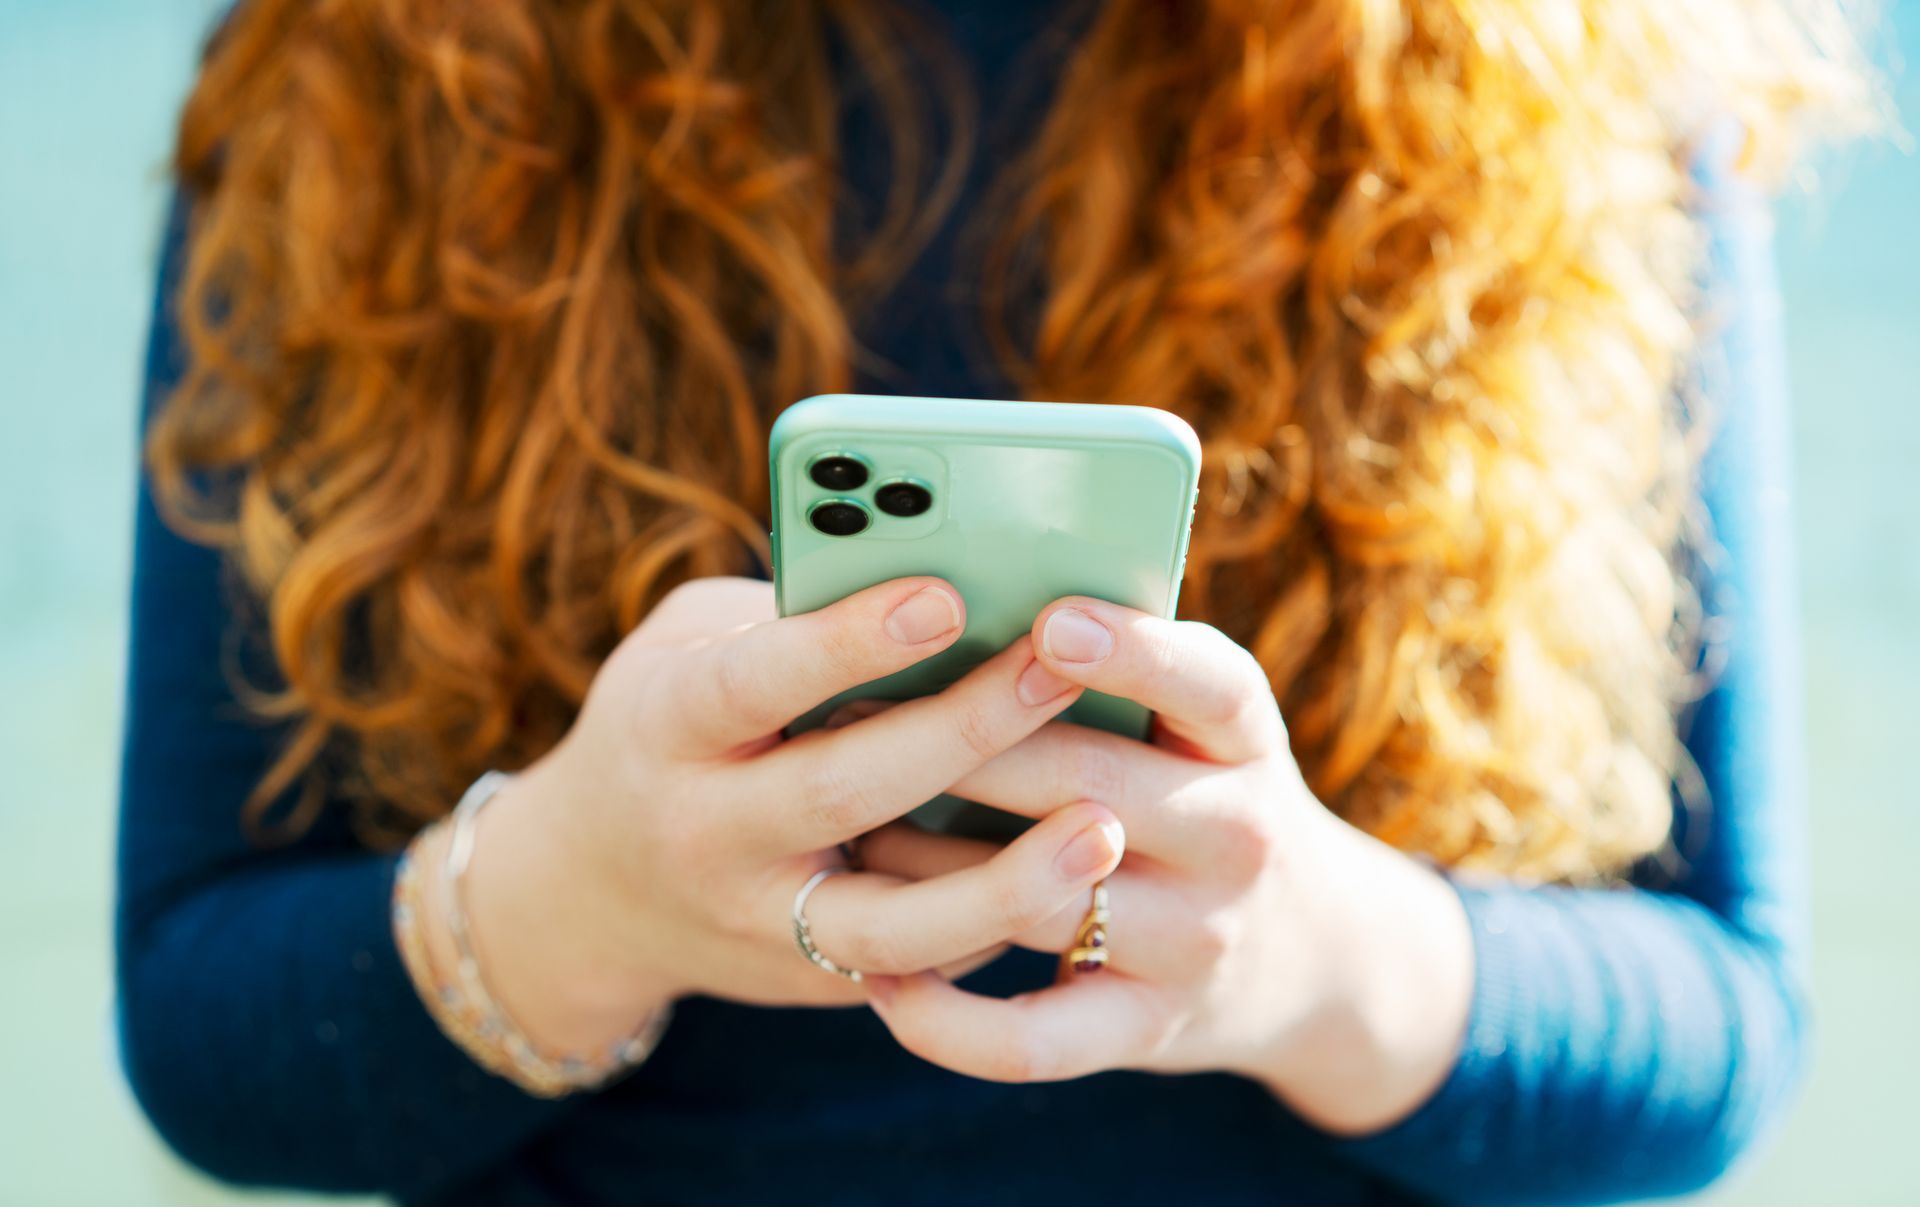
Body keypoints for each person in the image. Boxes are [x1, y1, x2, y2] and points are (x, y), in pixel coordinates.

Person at [115, 1, 1873, 1202]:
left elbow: (1724, 1017)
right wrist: (575, 900)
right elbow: (199, 1013)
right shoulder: (369, 63)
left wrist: (1313, 960)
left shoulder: (1570, 69)